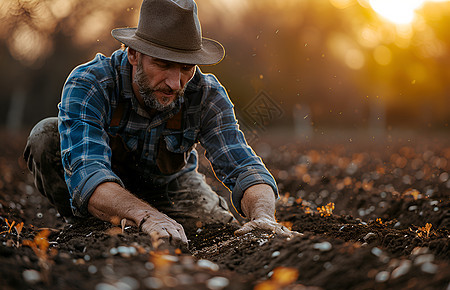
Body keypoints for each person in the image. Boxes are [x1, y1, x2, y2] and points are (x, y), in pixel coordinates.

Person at [24, 0, 293, 250]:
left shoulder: (206, 94)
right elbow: (88, 174)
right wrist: (146, 216)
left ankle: (133, 218)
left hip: (171, 187)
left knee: (217, 231)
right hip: (103, 192)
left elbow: (243, 166)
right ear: (133, 54)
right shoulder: (91, 83)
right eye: (163, 65)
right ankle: (90, 226)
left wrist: (264, 216)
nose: (176, 83)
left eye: (186, 68)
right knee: (45, 136)